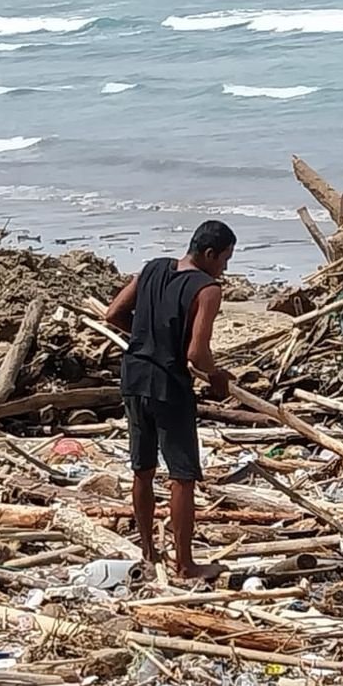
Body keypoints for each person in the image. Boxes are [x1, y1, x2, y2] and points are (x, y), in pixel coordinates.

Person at [105, 220, 236, 580]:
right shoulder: (207, 289)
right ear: (209, 255)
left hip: (133, 377)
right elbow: (196, 352)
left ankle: (148, 552)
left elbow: (113, 313)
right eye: (225, 259)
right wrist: (217, 377)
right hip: (168, 385)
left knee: (142, 470)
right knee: (182, 476)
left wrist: (149, 339)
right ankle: (185, 564)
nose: (225, 267)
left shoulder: (151, 268)